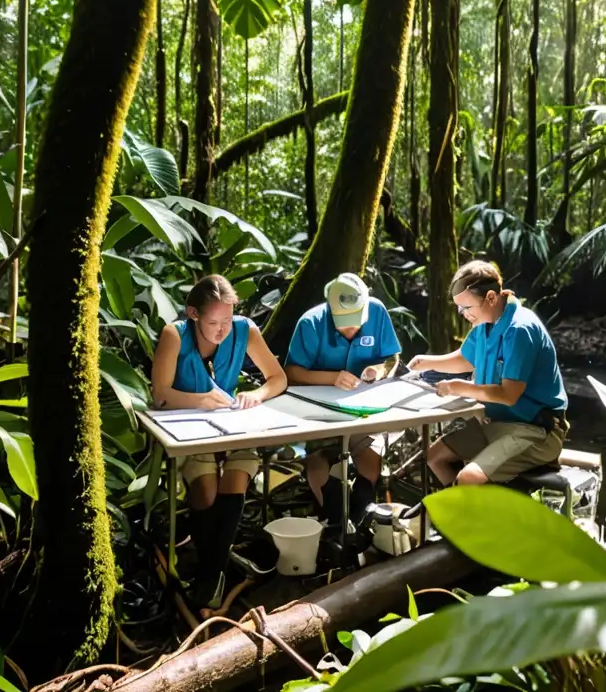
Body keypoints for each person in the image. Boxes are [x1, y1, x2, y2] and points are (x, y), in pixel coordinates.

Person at [151, 274, 287, 612]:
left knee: (237, 478)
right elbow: (160, 395)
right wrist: (199, 400)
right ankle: (213, 569)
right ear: (193, 314)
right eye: (214, 322)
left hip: (234, 425)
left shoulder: (245, 330)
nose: (222, 330)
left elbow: (278, 378)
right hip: (191, 429)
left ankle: (210, 576)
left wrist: (255, 395)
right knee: (206, 492)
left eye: (227, 320)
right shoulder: (175, 335)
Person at [410, 260, 568, 486]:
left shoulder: (519, 330)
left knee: (469, 477)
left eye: (466, 308)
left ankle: (473, 515)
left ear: (491, 298)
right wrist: (427, 362)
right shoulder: (484, 324)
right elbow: (465, 359)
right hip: (496, 424)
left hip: (535, 430)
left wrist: (458, 388)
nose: (462, 314)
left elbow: (508, 395)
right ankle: (460, 515)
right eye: (459, 308)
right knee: (435, 457)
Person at [285, 273, 402, 524]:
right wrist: (331, 378)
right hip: (318, 414)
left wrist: (379, 371)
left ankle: (361, 520)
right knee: (317, 459)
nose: (352, 330)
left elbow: (392, 357)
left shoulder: (378, 311)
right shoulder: (310, 323)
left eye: (357, 322)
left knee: (371, 457)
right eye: (344, 323)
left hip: (362, 410)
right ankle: (334, 522)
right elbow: (292, 372)